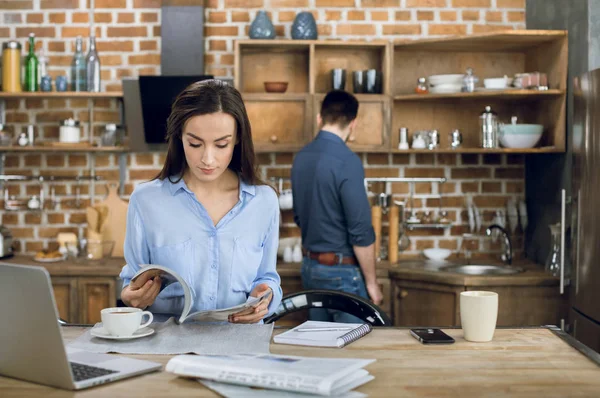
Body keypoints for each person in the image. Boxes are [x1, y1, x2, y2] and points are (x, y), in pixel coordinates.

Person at [119, 79, 282, 324]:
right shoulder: (145, 201)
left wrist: (267, 295)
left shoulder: (264, 201)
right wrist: (131, 296)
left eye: (221, 144)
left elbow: (267, 277)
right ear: (179, 137)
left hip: (240, 350)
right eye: (195, 144)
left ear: (238, 138)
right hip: (167, 351)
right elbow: (131, 281)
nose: (208, 158)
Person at [291, 90, 383, 323]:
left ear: (320, 118)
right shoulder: (347, 160)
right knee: (355, 349)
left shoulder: (300, 158)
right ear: (353, 124)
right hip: (342, 275)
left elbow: (300, 218)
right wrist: (372, 284)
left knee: (321, 352)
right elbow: (360, 231)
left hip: (310, 269)